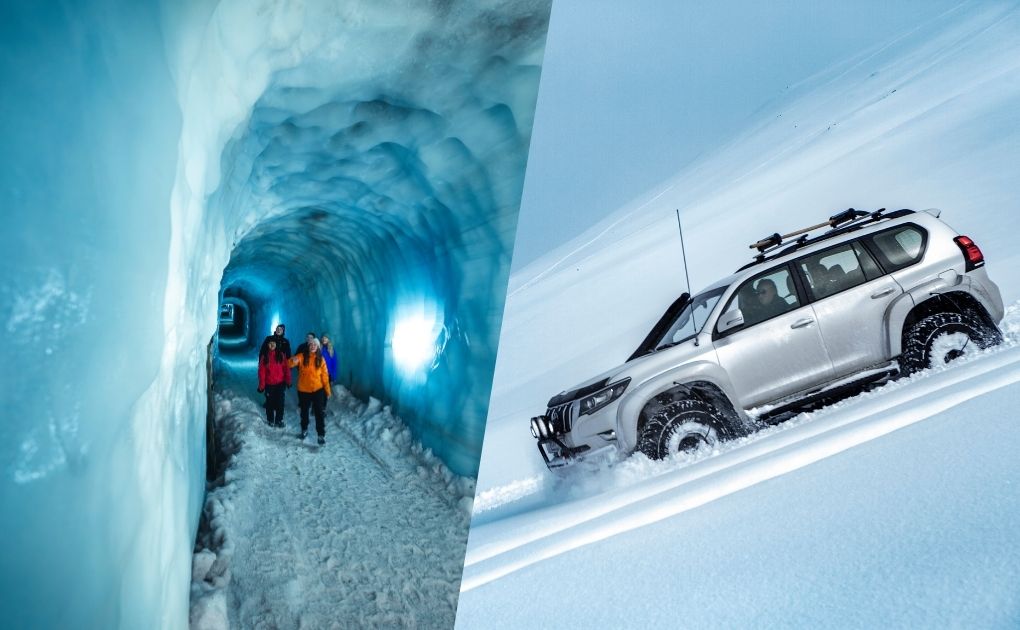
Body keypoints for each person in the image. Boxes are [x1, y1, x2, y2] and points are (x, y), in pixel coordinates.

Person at [288, 337, 331, 445]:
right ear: (309, 346)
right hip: (304, 390)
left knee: (319, 413)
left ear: (317, 347)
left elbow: (325, 376)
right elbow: (290, 363)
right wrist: (292, 361)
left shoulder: (321, 359)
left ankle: (321, 435)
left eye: (315, 345)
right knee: (304, 412)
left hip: (318, 389)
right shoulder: (302, 356)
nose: (313, 346)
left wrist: (327, 390)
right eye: (311, 345)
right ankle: (304, 430)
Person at [257, 339, 291, 427]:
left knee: (280, 402)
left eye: (274, 343)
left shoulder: (281, 355)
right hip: (269, 384)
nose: (272, 345)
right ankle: (270, 419)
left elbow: (286, 369)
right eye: (270, 343)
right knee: (270, 402)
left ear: (276, 345)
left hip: (280, 383)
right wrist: (262, 386)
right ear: (268, 345)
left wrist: (288, 381)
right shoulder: (265, 357)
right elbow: (262, 373)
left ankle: (279, 420)